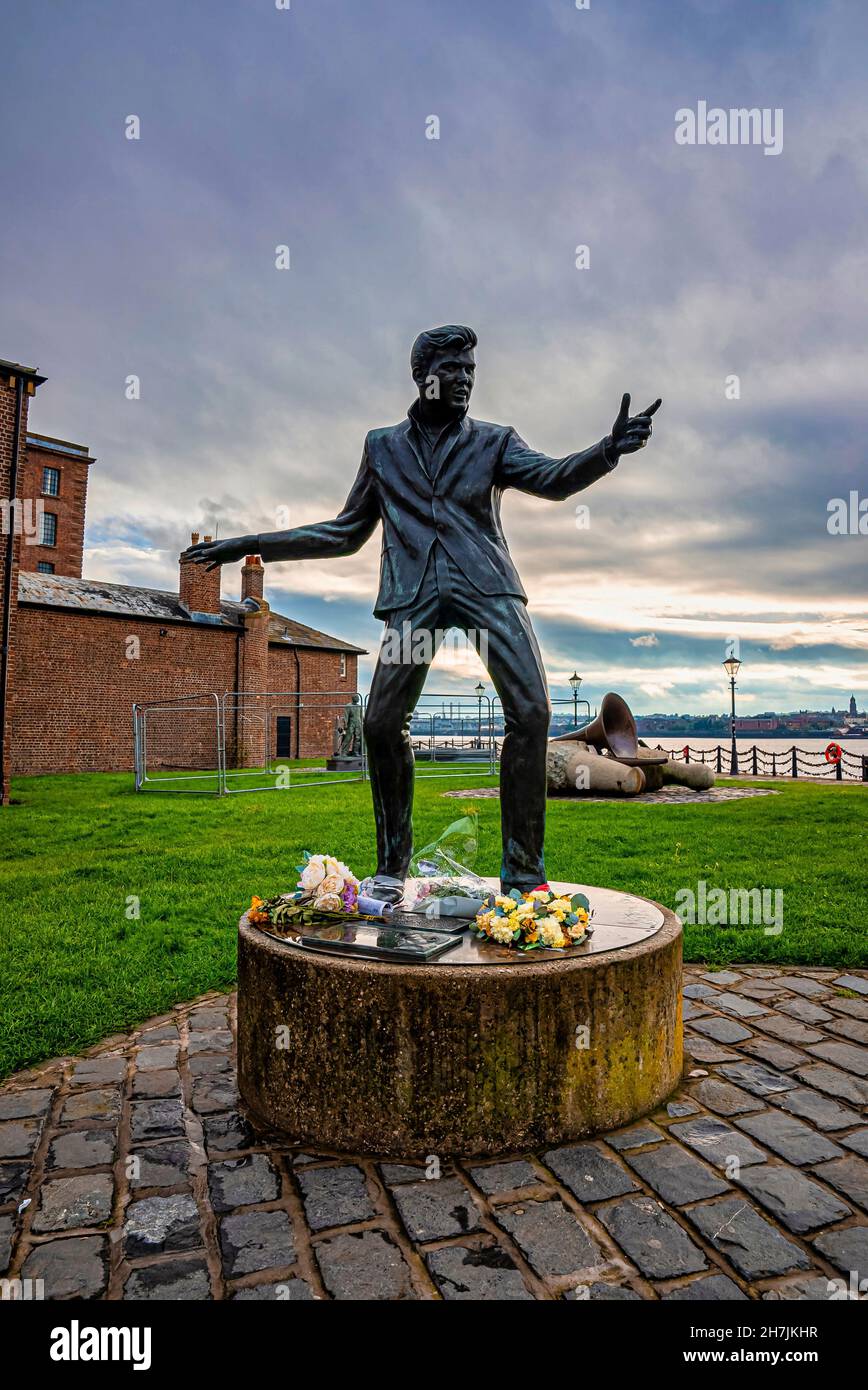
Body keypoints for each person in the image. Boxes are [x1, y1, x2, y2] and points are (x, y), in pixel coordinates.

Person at [185, 325, 661, 900]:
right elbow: (342, 533)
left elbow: (554, 479)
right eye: (454, 369)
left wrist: (606, 450)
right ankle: (391, 869)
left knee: (531, 712)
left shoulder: (494, 441)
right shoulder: (382, 447)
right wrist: (248, 543)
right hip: (415, 597)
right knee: (382, 723)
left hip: (487, 588)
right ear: (422, 375)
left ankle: (524, 877)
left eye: (471, 371)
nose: (465, 380)